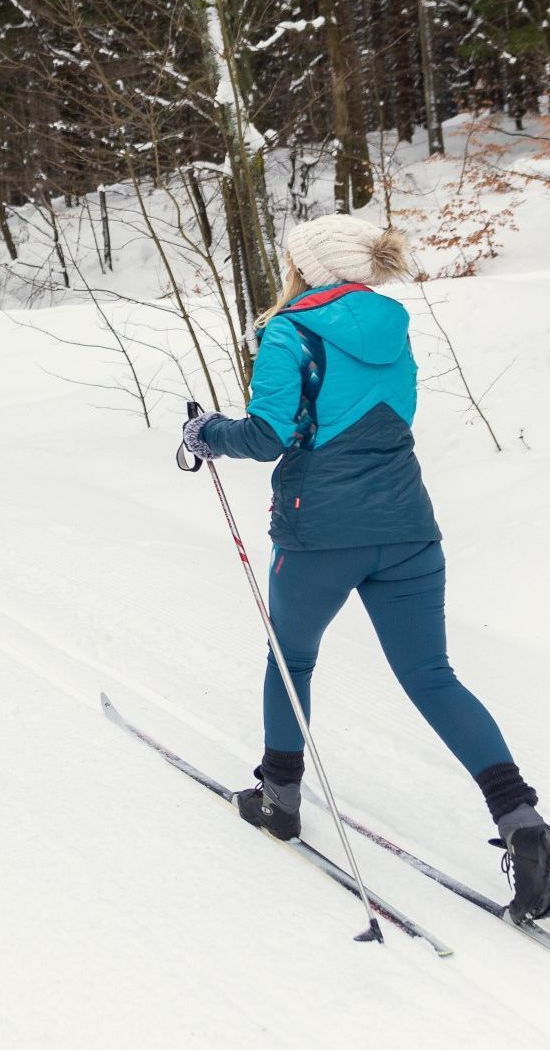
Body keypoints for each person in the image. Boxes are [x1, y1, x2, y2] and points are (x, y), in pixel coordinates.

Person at [180, 214, 550, 923]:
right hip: (408, 527)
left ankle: (279, 800)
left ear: (305, 266)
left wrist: (206, 433)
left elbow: (265, 435)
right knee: (432, 677)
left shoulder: (287, 330)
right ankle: (523, 824)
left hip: (319, 530)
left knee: (290, 659)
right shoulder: (391, 322)